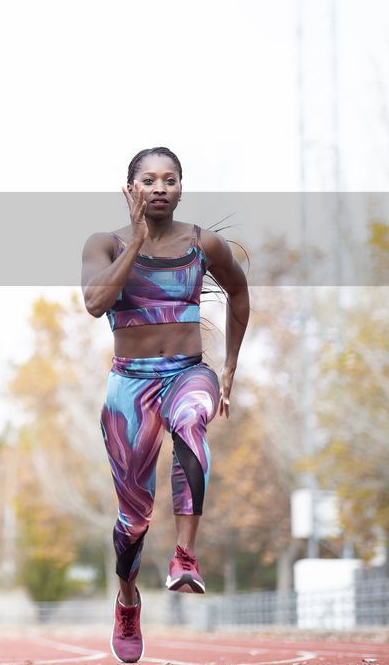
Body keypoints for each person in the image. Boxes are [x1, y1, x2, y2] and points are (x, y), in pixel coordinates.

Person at [80, 147, 250, 664]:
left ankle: (185, 555)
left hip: (187, 371)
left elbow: (240, 295)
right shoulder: (104, 243)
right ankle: (128, 599)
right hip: (130, 386)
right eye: (148, 180)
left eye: (169, 180)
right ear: (130, 188)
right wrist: (134, 240)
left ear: (180, 187)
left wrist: (228, 367)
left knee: (192, 419)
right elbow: (94, 303)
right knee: (132, 517)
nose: (159, 188)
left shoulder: (204, 243)